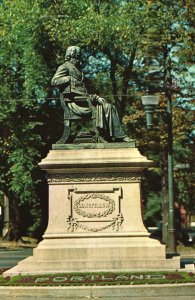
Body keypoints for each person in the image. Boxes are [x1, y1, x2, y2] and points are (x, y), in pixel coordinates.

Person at [51, 46, 130, 142]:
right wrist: (69, 78)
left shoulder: (77, 70)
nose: (80, 56)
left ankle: (113, 136)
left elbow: (83, 92)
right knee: (107, 107)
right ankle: (115, 136)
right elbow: (54, 81)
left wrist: (95, 98)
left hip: (84, 101)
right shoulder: (65, 66)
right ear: (72, 54)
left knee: (110, 107)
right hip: (76, 104)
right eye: (78, 54)